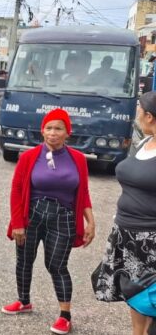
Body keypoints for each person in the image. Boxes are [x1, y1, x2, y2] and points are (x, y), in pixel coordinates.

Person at [3, 108, 95, 335]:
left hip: (63, 216)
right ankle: (23, 301)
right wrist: (17, 223)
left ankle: (65, 316)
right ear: (42, 131)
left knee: (57, 265)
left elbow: (83, 192)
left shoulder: (78, 159)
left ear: (67, 133)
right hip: (32, 215)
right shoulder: (28, 157)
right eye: (49, 128)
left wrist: (90, 222)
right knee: (24, 260)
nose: (53, 133)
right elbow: (16, 190)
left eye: (58, 129)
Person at [94, 91, 156, 335]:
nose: (136, 115)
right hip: (127, 236)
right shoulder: (144, 143)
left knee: (151, 301)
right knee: (136, 294)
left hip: (151, 239)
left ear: (149, 116)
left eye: (139, 111)